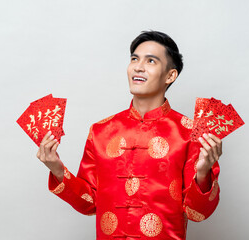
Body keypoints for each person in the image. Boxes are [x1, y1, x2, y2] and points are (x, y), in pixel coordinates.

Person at [37, 30, 223, 239]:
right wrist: (57, 169)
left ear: (170, 75)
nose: (138, 66)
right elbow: (88, 203)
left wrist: (204, 173)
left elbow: (197, 213)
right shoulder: (100, 131)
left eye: (151, 61)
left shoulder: (191, 133)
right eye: (134, 58)